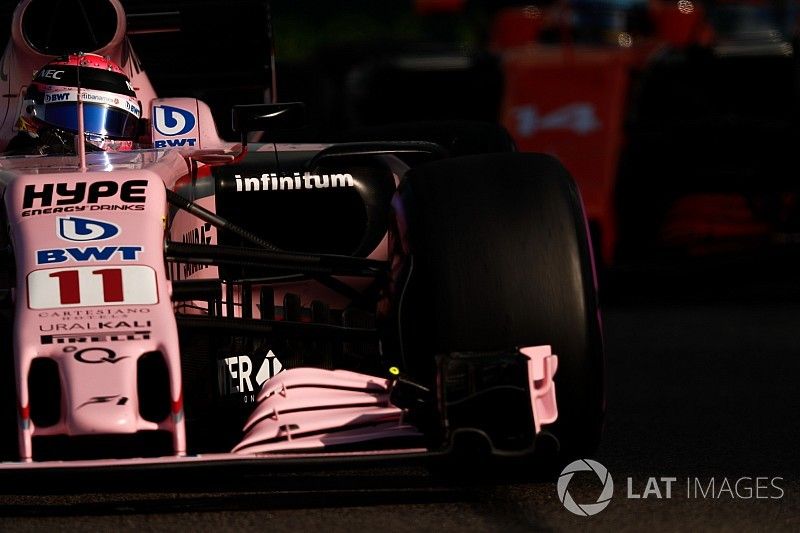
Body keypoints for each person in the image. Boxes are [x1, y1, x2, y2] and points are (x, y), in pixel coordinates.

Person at [6, 53, 142, 155]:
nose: (92, 130)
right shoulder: (18, 165)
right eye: (71, 117)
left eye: (114, 122)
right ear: (33, 109)